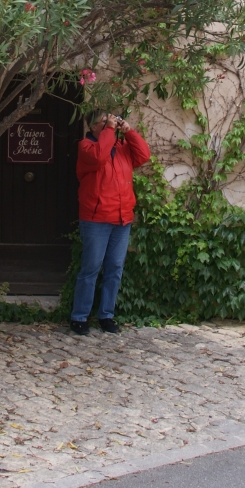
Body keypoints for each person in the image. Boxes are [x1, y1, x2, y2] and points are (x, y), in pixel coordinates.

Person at [70, 111, 151, 335]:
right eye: (104, 123)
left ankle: (106, 315)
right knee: (91, 269)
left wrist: (129, 131)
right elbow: (98, 157)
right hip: (96, 219)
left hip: (121, 218)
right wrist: (109, 130)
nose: (110, 126)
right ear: (94, 127)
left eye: (111, 122)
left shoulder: (122, 147)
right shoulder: (86, 146)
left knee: (114, 268)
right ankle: (79, 316)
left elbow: (143, 155)